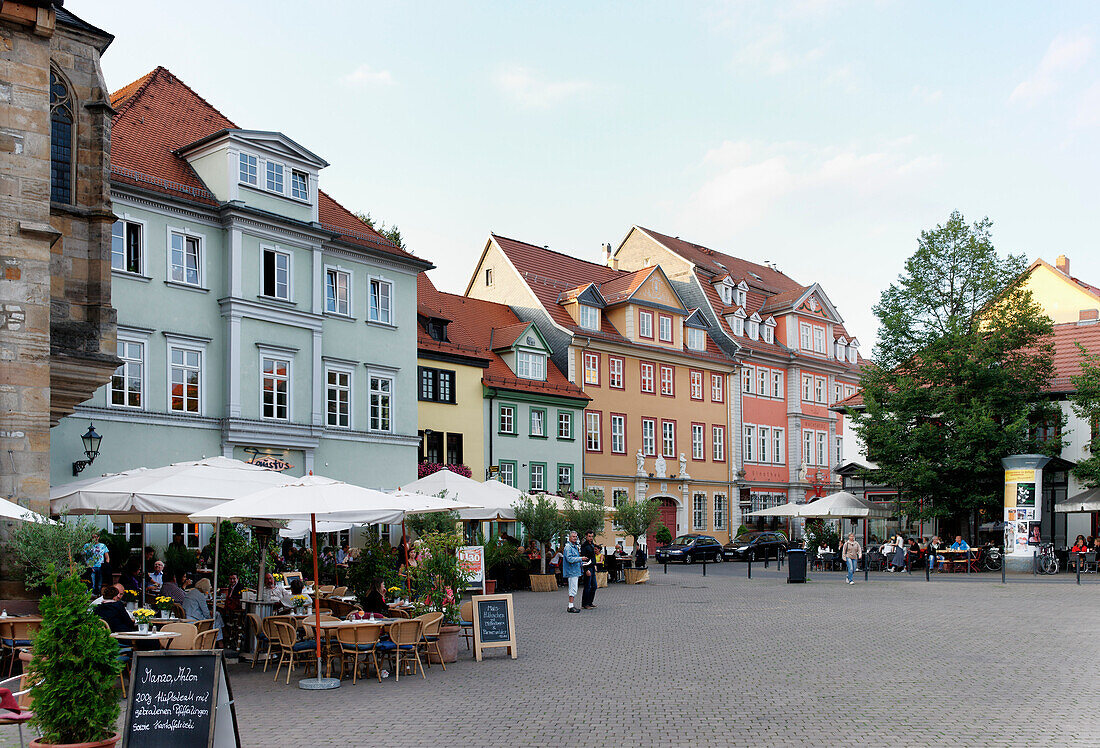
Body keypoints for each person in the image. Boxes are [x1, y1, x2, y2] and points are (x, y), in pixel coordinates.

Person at [563, 531, 583, 613]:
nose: (575, 538)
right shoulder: (568, 547)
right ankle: (570, 606)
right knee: (572, 588)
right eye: (573, 536)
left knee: (574, 588)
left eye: (576, 536)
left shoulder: (574, 547)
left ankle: (571, 605)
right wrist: (581, 559)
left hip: (575, 570)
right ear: (570, 537)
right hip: (572, 571)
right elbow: (570, 559)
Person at [580, 530, 598, 610]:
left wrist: (594, 565)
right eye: (589, 536)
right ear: (586, 536)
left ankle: (590, 602)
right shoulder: (584, 546)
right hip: (588, 567)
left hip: (592, 566)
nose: (591, 538)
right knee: (587, 586)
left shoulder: (592, 545)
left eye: (592, 536)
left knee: (594, 586)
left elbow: (593, 556)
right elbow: (584, 558)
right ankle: (585, 603)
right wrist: (586, 569)